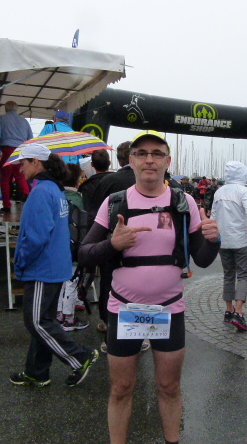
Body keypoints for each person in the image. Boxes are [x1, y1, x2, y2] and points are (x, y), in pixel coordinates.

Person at [78, 130, 220, 444]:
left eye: (157, 153)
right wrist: (113, 244)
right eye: (142, 153)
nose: (149, 160)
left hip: (169, 309)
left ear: (168, 161)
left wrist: (213, 240)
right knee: (121, 388)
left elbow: (202, 259)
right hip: (124, 308)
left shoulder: (183, 202)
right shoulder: (115, 202)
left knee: (169, 387)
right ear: (131, 161)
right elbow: (84, 254)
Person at [8, 144, 98, 388]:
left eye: (23, 162)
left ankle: (80, 356)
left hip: (42, 267)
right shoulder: (55, 189)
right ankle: (36, 371)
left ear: (36, 163)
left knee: (37, 321)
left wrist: (20, 263)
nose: (21, 168)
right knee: (44, 320)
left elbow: (35, 237)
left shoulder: (41, 192)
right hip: (55, 264)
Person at [91, 141, 135, 345]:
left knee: (108, 283)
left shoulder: (107, 181)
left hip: (111, 241)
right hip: (141, 241)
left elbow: (95, 214)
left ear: (118, 160)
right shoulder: (146, 179)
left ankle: (108, 325)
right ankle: (139, 331)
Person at [211, 161, 247, 332]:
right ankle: (239, 312)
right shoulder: (243, 191)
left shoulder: (219, 192)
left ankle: (228, 310)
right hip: (241, 239)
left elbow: (213, 215)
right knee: (243, 275)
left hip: (223, 240)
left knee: (228, 275)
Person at [57, 163, 90, 332]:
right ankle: (69, 319)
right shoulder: (80, 200)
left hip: (57, 247)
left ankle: (58, 315)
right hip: (74, 247)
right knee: (71, 282)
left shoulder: (56, 197)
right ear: (78, 180)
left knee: (59, 282)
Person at [0, 101, 32, 213]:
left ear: (6, 109)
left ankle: (6, 205)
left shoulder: (1, 119)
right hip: (21, 150)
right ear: (17, 109)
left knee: (5, 179)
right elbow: (30, 138)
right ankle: (28, 197)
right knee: (20, 176)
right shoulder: (24, 121)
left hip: (6, 150)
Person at [78, 149, 112, 221]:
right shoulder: (118, 180)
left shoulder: (87, 186)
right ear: (110, 163)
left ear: (92, 164)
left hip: (96, 223)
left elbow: (87, 210)